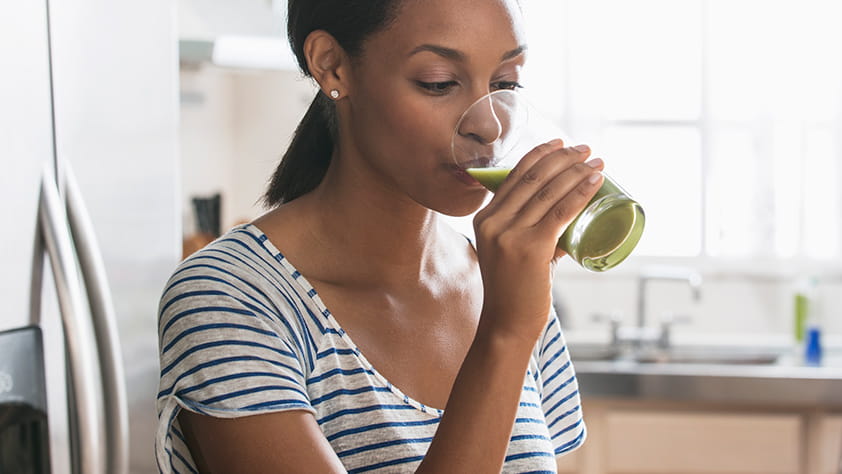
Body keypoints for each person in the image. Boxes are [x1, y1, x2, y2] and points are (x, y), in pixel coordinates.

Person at [155, 0, 604, 472]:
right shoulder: (229, 297)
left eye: (504, 83)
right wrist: (505, 334)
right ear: (332, 66)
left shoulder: (504, 280)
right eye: (439, 82)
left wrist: (514, 317)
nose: (488, 125)